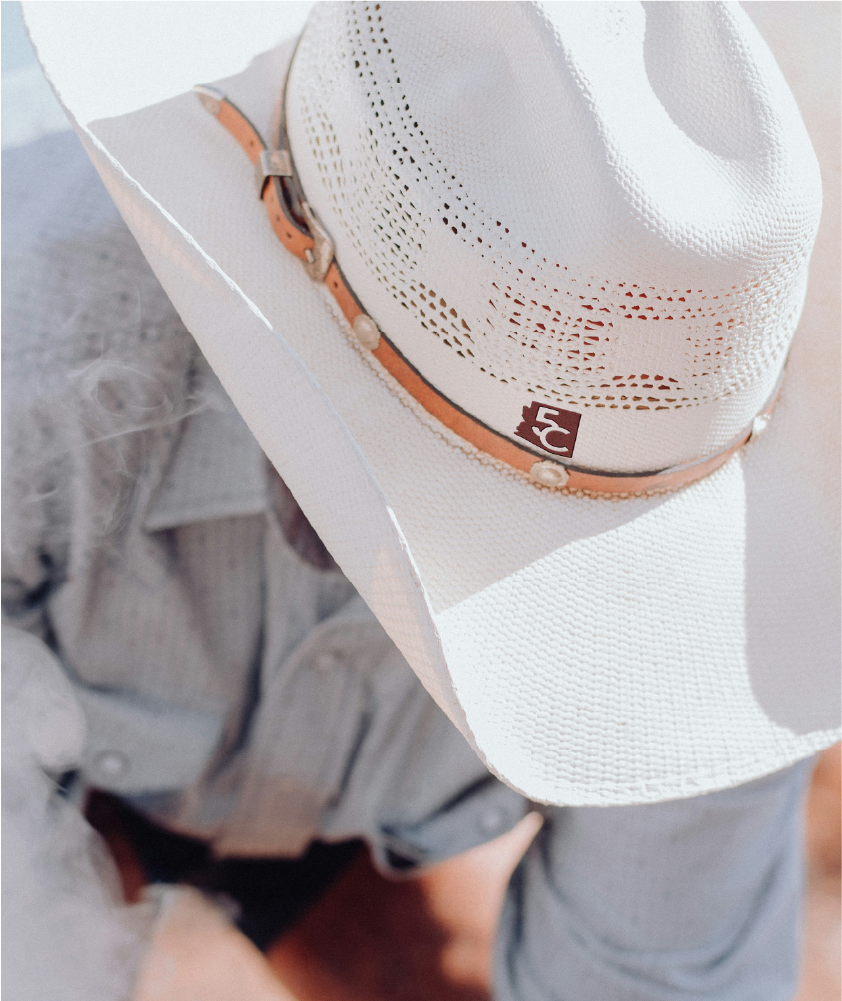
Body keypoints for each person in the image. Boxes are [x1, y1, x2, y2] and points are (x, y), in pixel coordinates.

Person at [2, 2, 839, 999]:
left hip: (360, 829)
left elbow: (648, 972)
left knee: (423, 971)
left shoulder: (738, 606)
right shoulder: (36, 343)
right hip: (50, 772)